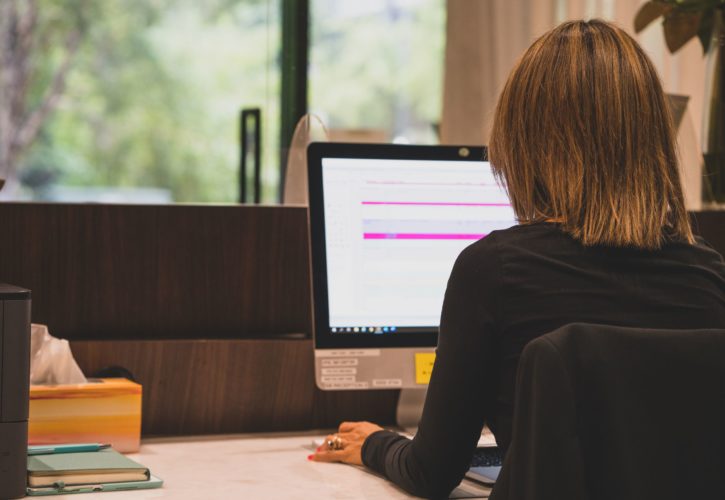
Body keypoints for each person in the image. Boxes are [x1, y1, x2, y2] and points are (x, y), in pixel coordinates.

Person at [309, 19, 725, 499]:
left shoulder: (494, 270)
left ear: (525, 141)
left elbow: (432, 471)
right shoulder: (710, 274)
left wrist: (374, 444)